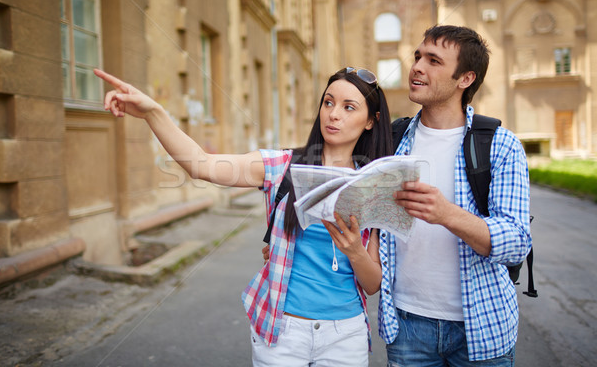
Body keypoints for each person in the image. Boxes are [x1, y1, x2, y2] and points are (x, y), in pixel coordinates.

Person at [95, 66, 393, 366]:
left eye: (348, 107)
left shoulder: (372, 185)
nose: (333, 114)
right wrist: (153, 112)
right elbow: (202, 165)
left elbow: (371, 284)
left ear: (370, 120)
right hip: (282, 331)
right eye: (328, 102)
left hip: (345, 336)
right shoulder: (283, 165)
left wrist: (354, 251)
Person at [378, 25, 532, 366]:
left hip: (482, 326)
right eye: (418, 56)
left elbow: (518, 241)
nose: (417, 66)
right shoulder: (391, 141)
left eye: (434, 60)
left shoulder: (499, 144)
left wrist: (447, 213)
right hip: (406, 326)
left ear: (465, 79)